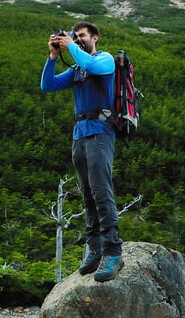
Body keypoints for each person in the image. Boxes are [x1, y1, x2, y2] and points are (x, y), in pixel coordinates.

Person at [41, 21, 124, 282]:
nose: (77, 40)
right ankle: (95, 249)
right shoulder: (76, 68)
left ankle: (113, 251)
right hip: (80, 135)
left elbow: (91, 65)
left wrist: (70, 45)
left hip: (100, 133)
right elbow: (48, 85)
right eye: (74, 37)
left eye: (82, 36)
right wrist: (53, 56)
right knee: (87, 194)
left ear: (95, 38)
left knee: (101, 191)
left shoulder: (105, 60)